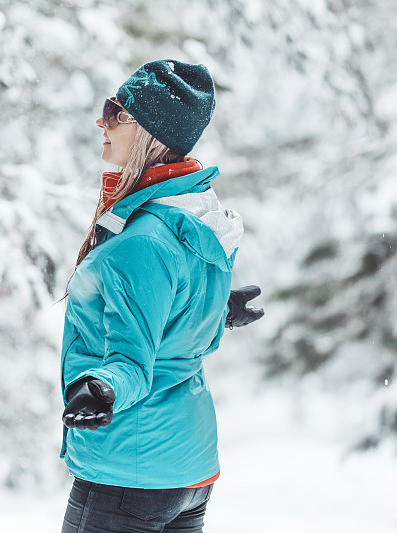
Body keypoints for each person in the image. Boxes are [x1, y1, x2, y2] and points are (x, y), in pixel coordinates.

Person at [59, 59, 263, 533]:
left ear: (152, 134)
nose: (101, 123)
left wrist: (103, 388)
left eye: (117, 114)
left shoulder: (141, 242)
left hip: (130, 468)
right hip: (186, 466)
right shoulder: (190, 216)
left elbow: (132, 363)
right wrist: (215, 309)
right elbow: (173, 314)